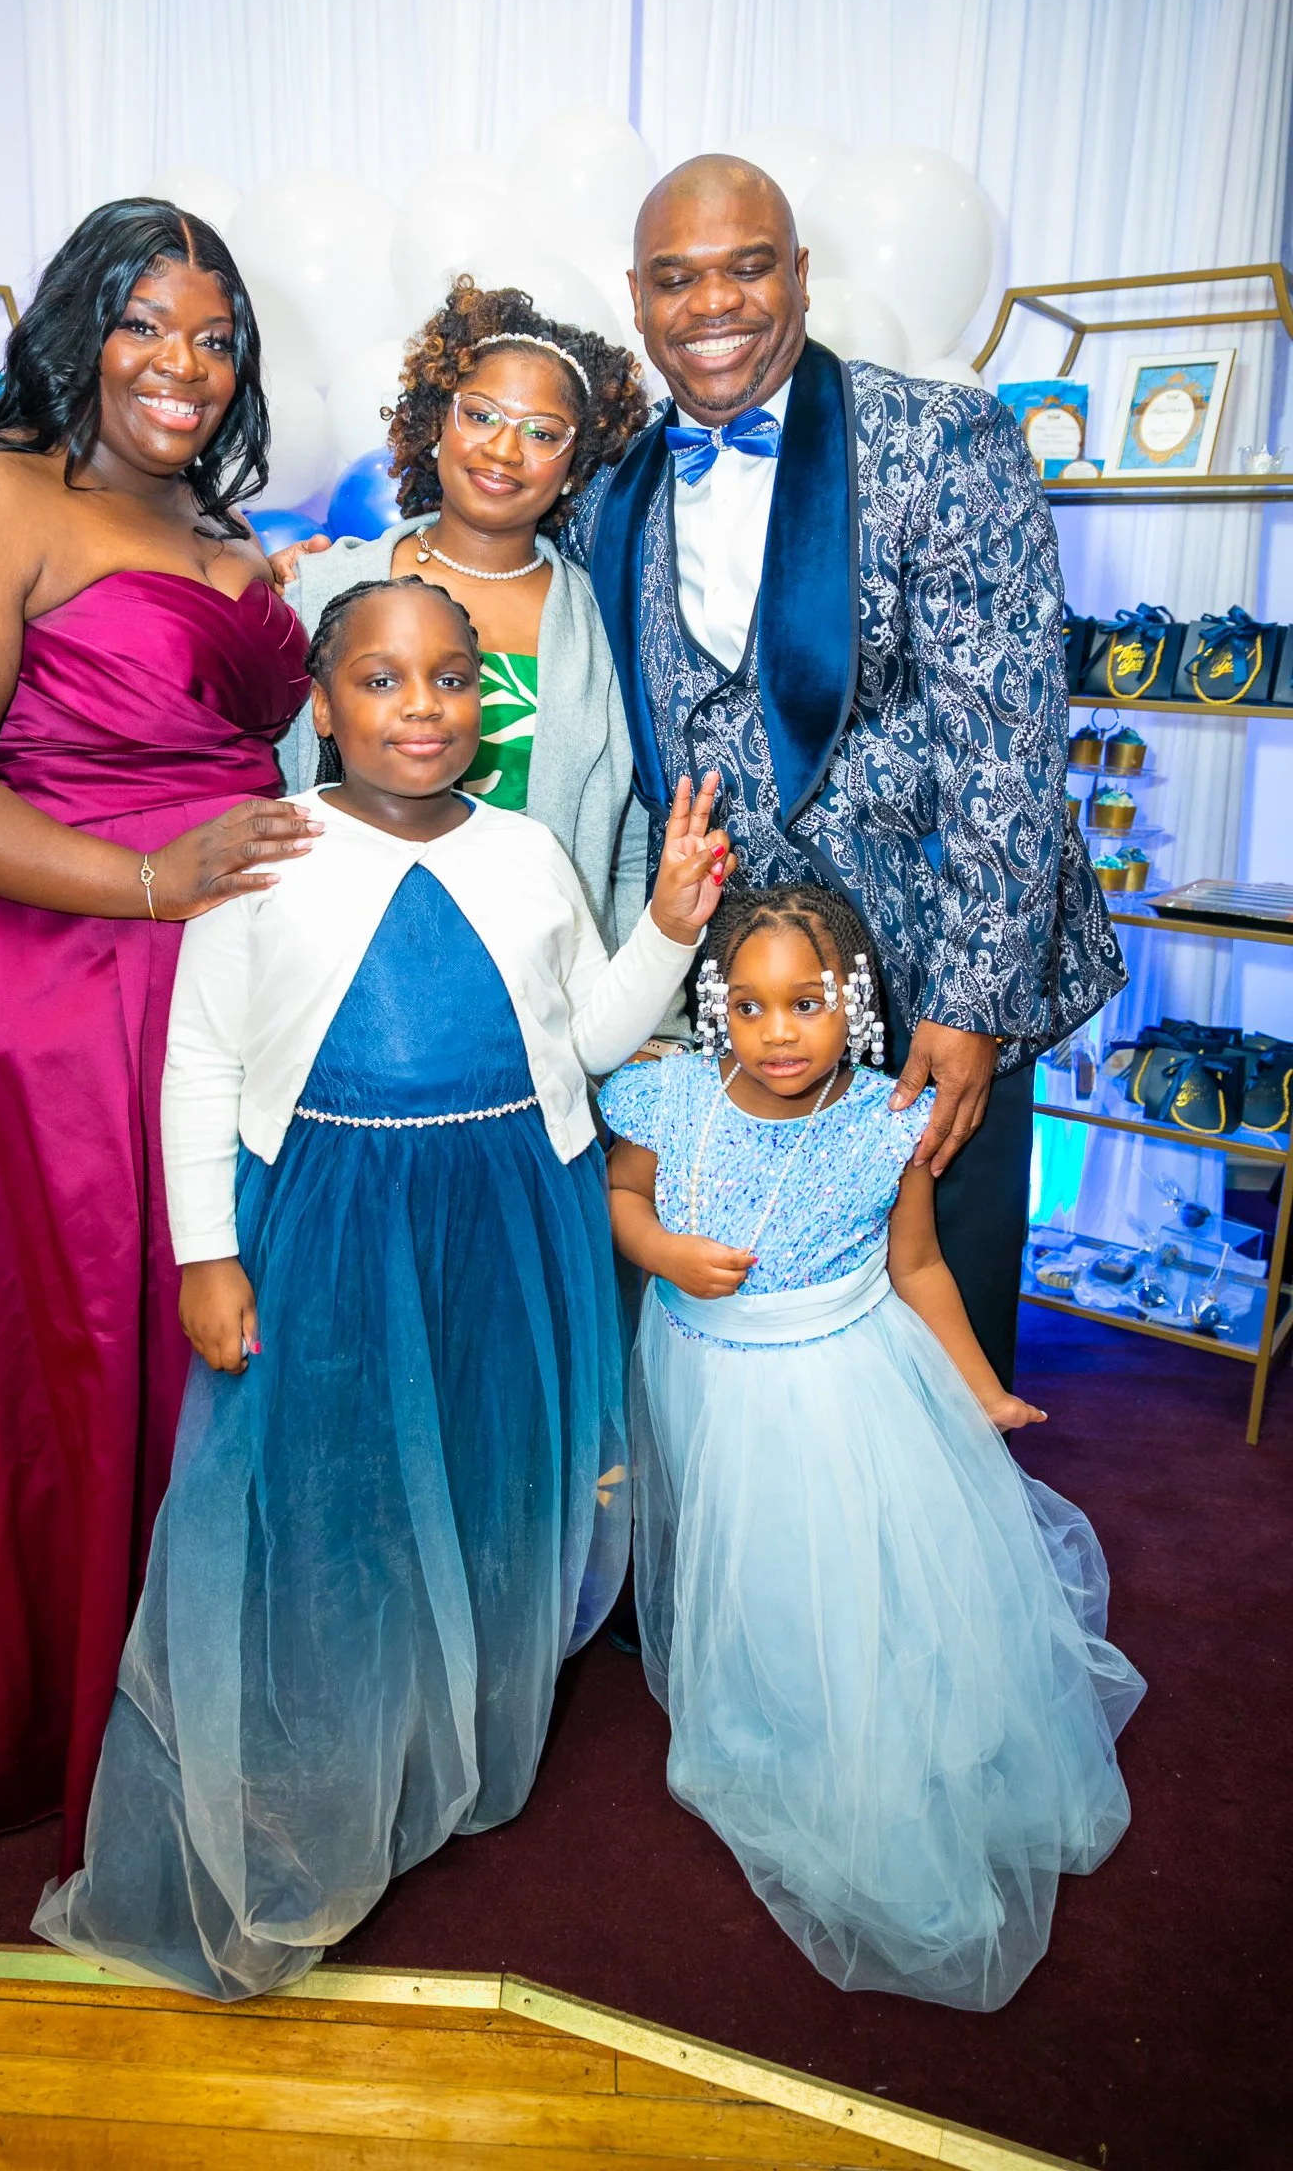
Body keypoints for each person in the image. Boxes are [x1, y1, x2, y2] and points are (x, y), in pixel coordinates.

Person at [33, 577, 726, 1998]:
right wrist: (205, 1252)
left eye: (452, 680)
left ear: (491, 698)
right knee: (331, 1479)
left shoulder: (529, 852)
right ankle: (318, 1761)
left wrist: (663, 926)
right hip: (337, 1216)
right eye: (384, 680)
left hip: (510, 1206)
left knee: (481, 1471)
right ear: (323, 703)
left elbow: (588, 1035)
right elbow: (202, 1064)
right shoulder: (268, 854)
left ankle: (444, 1732)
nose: (423, 708)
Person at [0, 199, 316, 1874]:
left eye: (215, 335)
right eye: (146, 324)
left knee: (202, 1347)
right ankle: (35, 1721)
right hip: (52, 977)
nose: (183, 364)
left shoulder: (212, 519)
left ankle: (192, 1706)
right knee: (59, 1352)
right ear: (74, 330)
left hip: (219, 982)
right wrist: (146, 881)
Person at [567, 155, 1127, 1383]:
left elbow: (1011, 737)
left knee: (936, 1319)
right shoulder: (611, 483)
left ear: (802, 277)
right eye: (676, 278)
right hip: (742, 1001)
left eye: (746, 266)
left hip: (931, 970)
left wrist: (973, 1003)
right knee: (753, 1317)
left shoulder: (941, 438)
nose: (711, 301)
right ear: (637, 297)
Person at [600, 881, 1144, 2012]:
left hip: (826, 1392)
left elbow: (920, 1269)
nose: (778, 1031)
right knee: (736, 1561)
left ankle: (859, 1766)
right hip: (698, 1370)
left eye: (805, 1003)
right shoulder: (670, 1095)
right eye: (747, 1007)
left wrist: (983, 1392)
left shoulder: (882, 1127)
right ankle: (756, 1719)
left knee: (829, 1578)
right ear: (714, 1007)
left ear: (852, 1001)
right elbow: (621, 1196)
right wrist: (660, 1251)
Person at [279, 280, 650, 943]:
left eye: (541, 433)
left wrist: (632, 1013)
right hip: (336, 960)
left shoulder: (604, 628)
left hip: (536, 989)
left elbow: (623, 853)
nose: (503, 451)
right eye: (480, 415)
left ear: (574, 466)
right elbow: (267, 785)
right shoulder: (322, 586)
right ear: (436, 425)